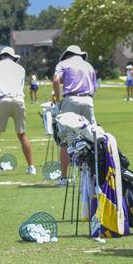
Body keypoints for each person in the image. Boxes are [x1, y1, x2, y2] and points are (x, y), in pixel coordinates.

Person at [0, 47, 36, 176]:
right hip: (19, 100)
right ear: (13, 57)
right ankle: (31, 167)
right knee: (22, 134)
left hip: (2, 99)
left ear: (2, 56)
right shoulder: (20, 69)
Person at [52, 44, 97, 186]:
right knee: (91, 139)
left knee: (65, 140)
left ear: (67, 54)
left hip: (71, 100)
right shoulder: (88, 66)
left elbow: (55, 80)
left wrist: (58, 101)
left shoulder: (63, 64)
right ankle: (93, 177)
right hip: (88, 100)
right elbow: (94, 88)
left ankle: (64, 178)